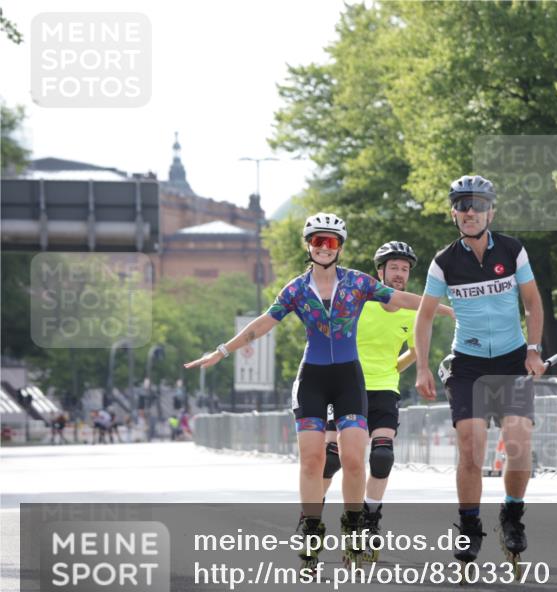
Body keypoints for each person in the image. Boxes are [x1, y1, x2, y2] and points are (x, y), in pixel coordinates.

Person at [185, 213, 451, 569]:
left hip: (348, 380)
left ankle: (354, 527)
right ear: (308, 245)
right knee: (314, 461)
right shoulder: (295, 289)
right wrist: (222, 351)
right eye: (318, 241)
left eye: (332, 242)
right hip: (312, 378)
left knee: (356, 461)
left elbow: (403, 300)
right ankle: (311, 529)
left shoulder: (357, 283)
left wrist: (452, 310)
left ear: (340, 247)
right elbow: (263, 323)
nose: (325, 248)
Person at [414, 174, 547, 568]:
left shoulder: (513, 250)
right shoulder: (444, 261)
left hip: (511, 359)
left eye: (477, 205)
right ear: (453, 213)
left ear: (491, 211)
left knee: (519, 442)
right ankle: (470, 526)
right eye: (462, 205)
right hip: (468, 364)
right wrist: (421, 367)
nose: (470, 212)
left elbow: (533, 304)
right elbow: (423, 319)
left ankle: (512, 515)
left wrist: (534, 350)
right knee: (471, 448)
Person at [322, 241, 425, 561]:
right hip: (346, 386)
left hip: (385, 390)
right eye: (393, 267)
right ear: (380, 271)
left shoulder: (412, 308)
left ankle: (370, 519)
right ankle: (310, 518)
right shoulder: (360, 302)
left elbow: (418, 349)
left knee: (382, 458)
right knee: (331, 459)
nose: (399, 274)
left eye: (404, 269)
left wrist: (393, 367)